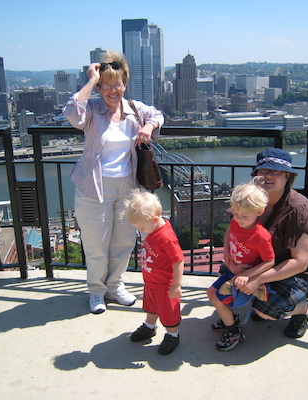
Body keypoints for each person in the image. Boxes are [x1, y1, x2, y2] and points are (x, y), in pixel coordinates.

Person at [62, 51, 164, 314]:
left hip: (127, 186)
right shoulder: (93, 109)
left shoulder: (133, 108)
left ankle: (115, 286)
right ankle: (96, 292)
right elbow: (71, 112)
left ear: (124, 84)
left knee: (124, 241)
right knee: (96, 245)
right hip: (93, 187)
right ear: (99, 87)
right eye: (105, 84)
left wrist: (148, 127)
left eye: (117, 83)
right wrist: (91, 79)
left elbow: (158, 115)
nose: (112, 90)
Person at [237, 148, 308, 338]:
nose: (268, 176)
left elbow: (300, 262)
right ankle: (265, 300)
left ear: (288, 176)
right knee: (230, 276)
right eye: (264, 171)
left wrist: (257, 279)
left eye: (276, 172)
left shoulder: (299, 208)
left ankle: (302, 310)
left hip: (306, 272)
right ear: (255, 175)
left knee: (266, 310)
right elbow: (235, 231)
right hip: (272, 262)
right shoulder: (251, 200)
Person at [207, 178, 275, 351]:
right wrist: (228, 260)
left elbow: (270, 261)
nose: (238, 219)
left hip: (243, 279)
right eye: (236, 214)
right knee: (213, 294)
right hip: (233, 270)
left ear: (259, 212)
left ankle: (234, 330)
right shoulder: (236, 222)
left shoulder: (261, 236)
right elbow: (228, 236)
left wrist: (246, 275)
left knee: (216, 296)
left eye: (244, 216)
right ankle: (229, 318)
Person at [124, 190, 184, 355]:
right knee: (151, 307)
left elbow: (178, 260)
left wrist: (176, 285)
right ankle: (150, 327)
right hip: (151, 282)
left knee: (169, 312)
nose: (141, 230)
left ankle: (173, 335)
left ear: (155, 219)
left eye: (142, 227)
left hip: (165, 286)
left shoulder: (166, 238)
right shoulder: (153, 229)